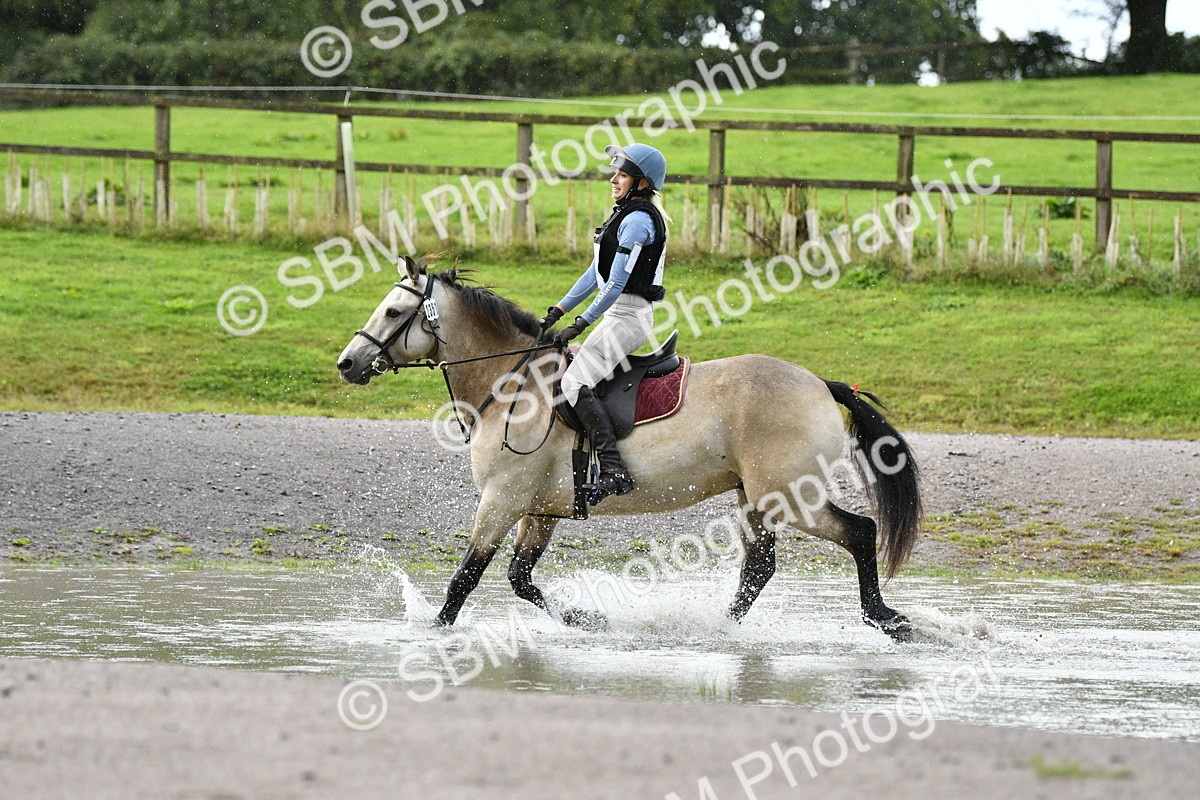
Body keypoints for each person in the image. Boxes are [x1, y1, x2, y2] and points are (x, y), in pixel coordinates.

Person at [539, 142, 670, 504]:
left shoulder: (639, 221)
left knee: (573, 381)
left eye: (622, 174)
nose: (613, 179)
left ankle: (614, 469)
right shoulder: (624, 214)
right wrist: (559, 310)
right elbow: (595, 274)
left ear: (642, 184)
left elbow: (614, 285)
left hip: (628, 317)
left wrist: (580, 323)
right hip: (616, 314)